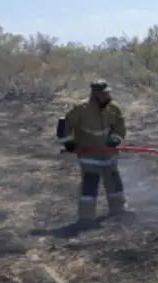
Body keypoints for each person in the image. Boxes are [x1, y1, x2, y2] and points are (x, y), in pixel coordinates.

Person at [57, 79, 129, 229]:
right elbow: (65, 125)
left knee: (114, 183)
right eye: (103, 93)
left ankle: (118, 211)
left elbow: (120, 127)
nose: (107, 96)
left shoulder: (114, 108)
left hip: (109, 155)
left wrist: (115, 140)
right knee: (90, 184)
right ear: (95, 94)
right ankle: (86, 218)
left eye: (108, 92)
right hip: (89, 156)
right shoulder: (81, 109)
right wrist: (68, 143)